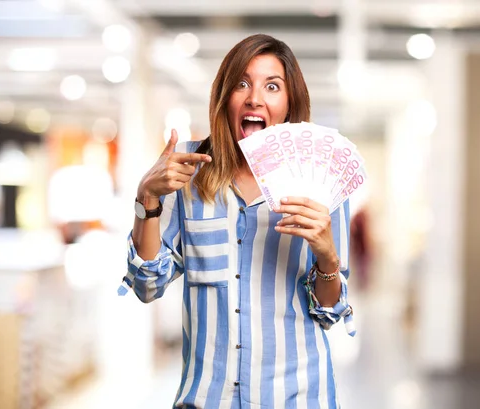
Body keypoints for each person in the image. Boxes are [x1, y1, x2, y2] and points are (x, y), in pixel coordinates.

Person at [119, 34, 354, 409]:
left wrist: (327, 257)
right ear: (224, 96)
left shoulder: (320, 177)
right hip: (208, 399)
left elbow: (327, 313)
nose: (255, 98)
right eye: (242, 83)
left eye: (272, 86)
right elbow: (147, 285)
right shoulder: (187, 171)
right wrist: (146, 198)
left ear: (289, 102)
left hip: (295, 398)